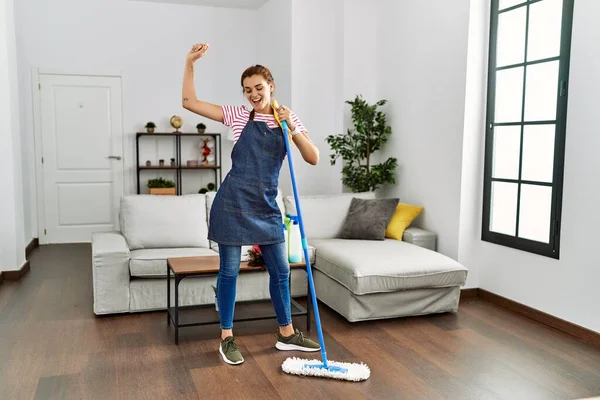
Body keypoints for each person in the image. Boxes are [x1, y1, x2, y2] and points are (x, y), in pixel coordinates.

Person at [182, 43, 321, 365]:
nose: (253, 94)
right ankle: (226, 338)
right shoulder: (237, 116)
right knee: (229, 272)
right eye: (248, 90)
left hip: (266, 204)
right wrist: (190, 63)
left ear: (271, 86)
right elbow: (188, 102)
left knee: (281, 272)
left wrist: (290, 127)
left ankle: (286, 334)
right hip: (232, 202)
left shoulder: (288, 119)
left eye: (258, 88)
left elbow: (312, 158)